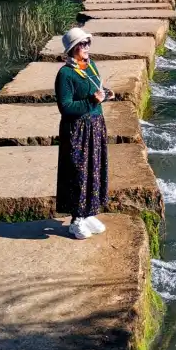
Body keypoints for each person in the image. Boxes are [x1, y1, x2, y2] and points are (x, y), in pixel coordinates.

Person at [55, 27, 111, 240]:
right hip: (76, 130)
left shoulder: (91, 66)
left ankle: (88, 213)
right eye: (83, 44)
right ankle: (76, 219)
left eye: (88, 43)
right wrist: (92, 101)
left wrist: (105, 94)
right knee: (78, 171)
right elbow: (66, 107)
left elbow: (95, 89)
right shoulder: (65, 74)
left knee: (94, 169)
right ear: (72, 49)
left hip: (95, 125)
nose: (87, 48)